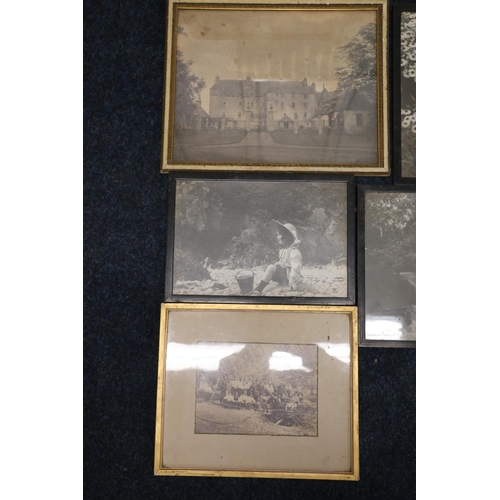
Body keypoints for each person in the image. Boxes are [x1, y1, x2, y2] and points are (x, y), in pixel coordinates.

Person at [251, 220, 305, 295]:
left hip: (290, 276)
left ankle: (259, 288)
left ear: (287, 237)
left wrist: (292, 278)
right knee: (270, 268)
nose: (277, 237)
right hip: (284, 275)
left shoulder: (294, 251)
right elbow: (283, 261)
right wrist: (278, 264)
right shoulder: (283, 250)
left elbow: (296, 266)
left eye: (279, 235)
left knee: (270, 268)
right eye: (277, 235)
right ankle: (278, 283)